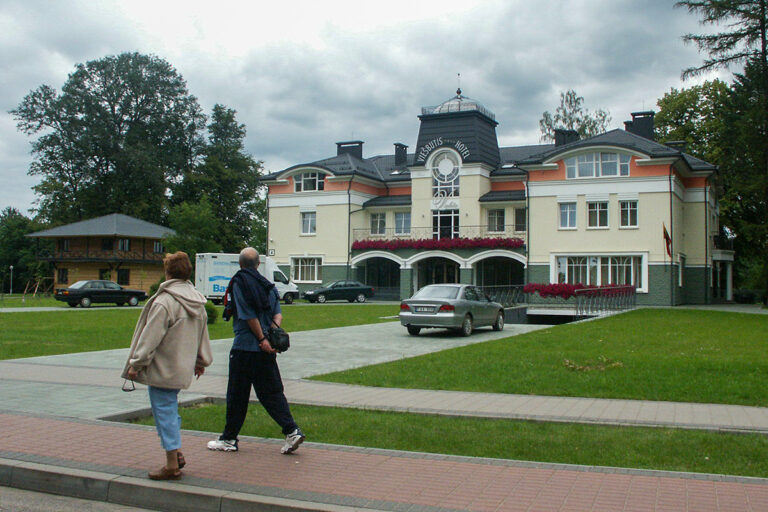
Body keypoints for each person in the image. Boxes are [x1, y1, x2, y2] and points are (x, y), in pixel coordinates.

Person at [122, 251, 213, 481]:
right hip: (182, 367)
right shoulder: (197, 300)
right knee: (169, 409)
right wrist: (200, 361)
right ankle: (177, 452)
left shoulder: (165, 301)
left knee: (164, 412)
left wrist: (136, 363)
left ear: (168, 271)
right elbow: (203, 335)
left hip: (162, 367)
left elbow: (150, 336)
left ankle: (172, 464)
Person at [207, 247, 305, 454]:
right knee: (272, 393)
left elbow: (248, 315)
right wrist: (271, 337)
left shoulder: (240, 283)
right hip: (266, 351)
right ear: (258, 264)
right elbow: (277, 316)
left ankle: (229, 438)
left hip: (245, 348)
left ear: (240, 264)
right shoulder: (267, 285)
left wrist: (261, 338)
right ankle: (292, 430)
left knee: (237, 395)